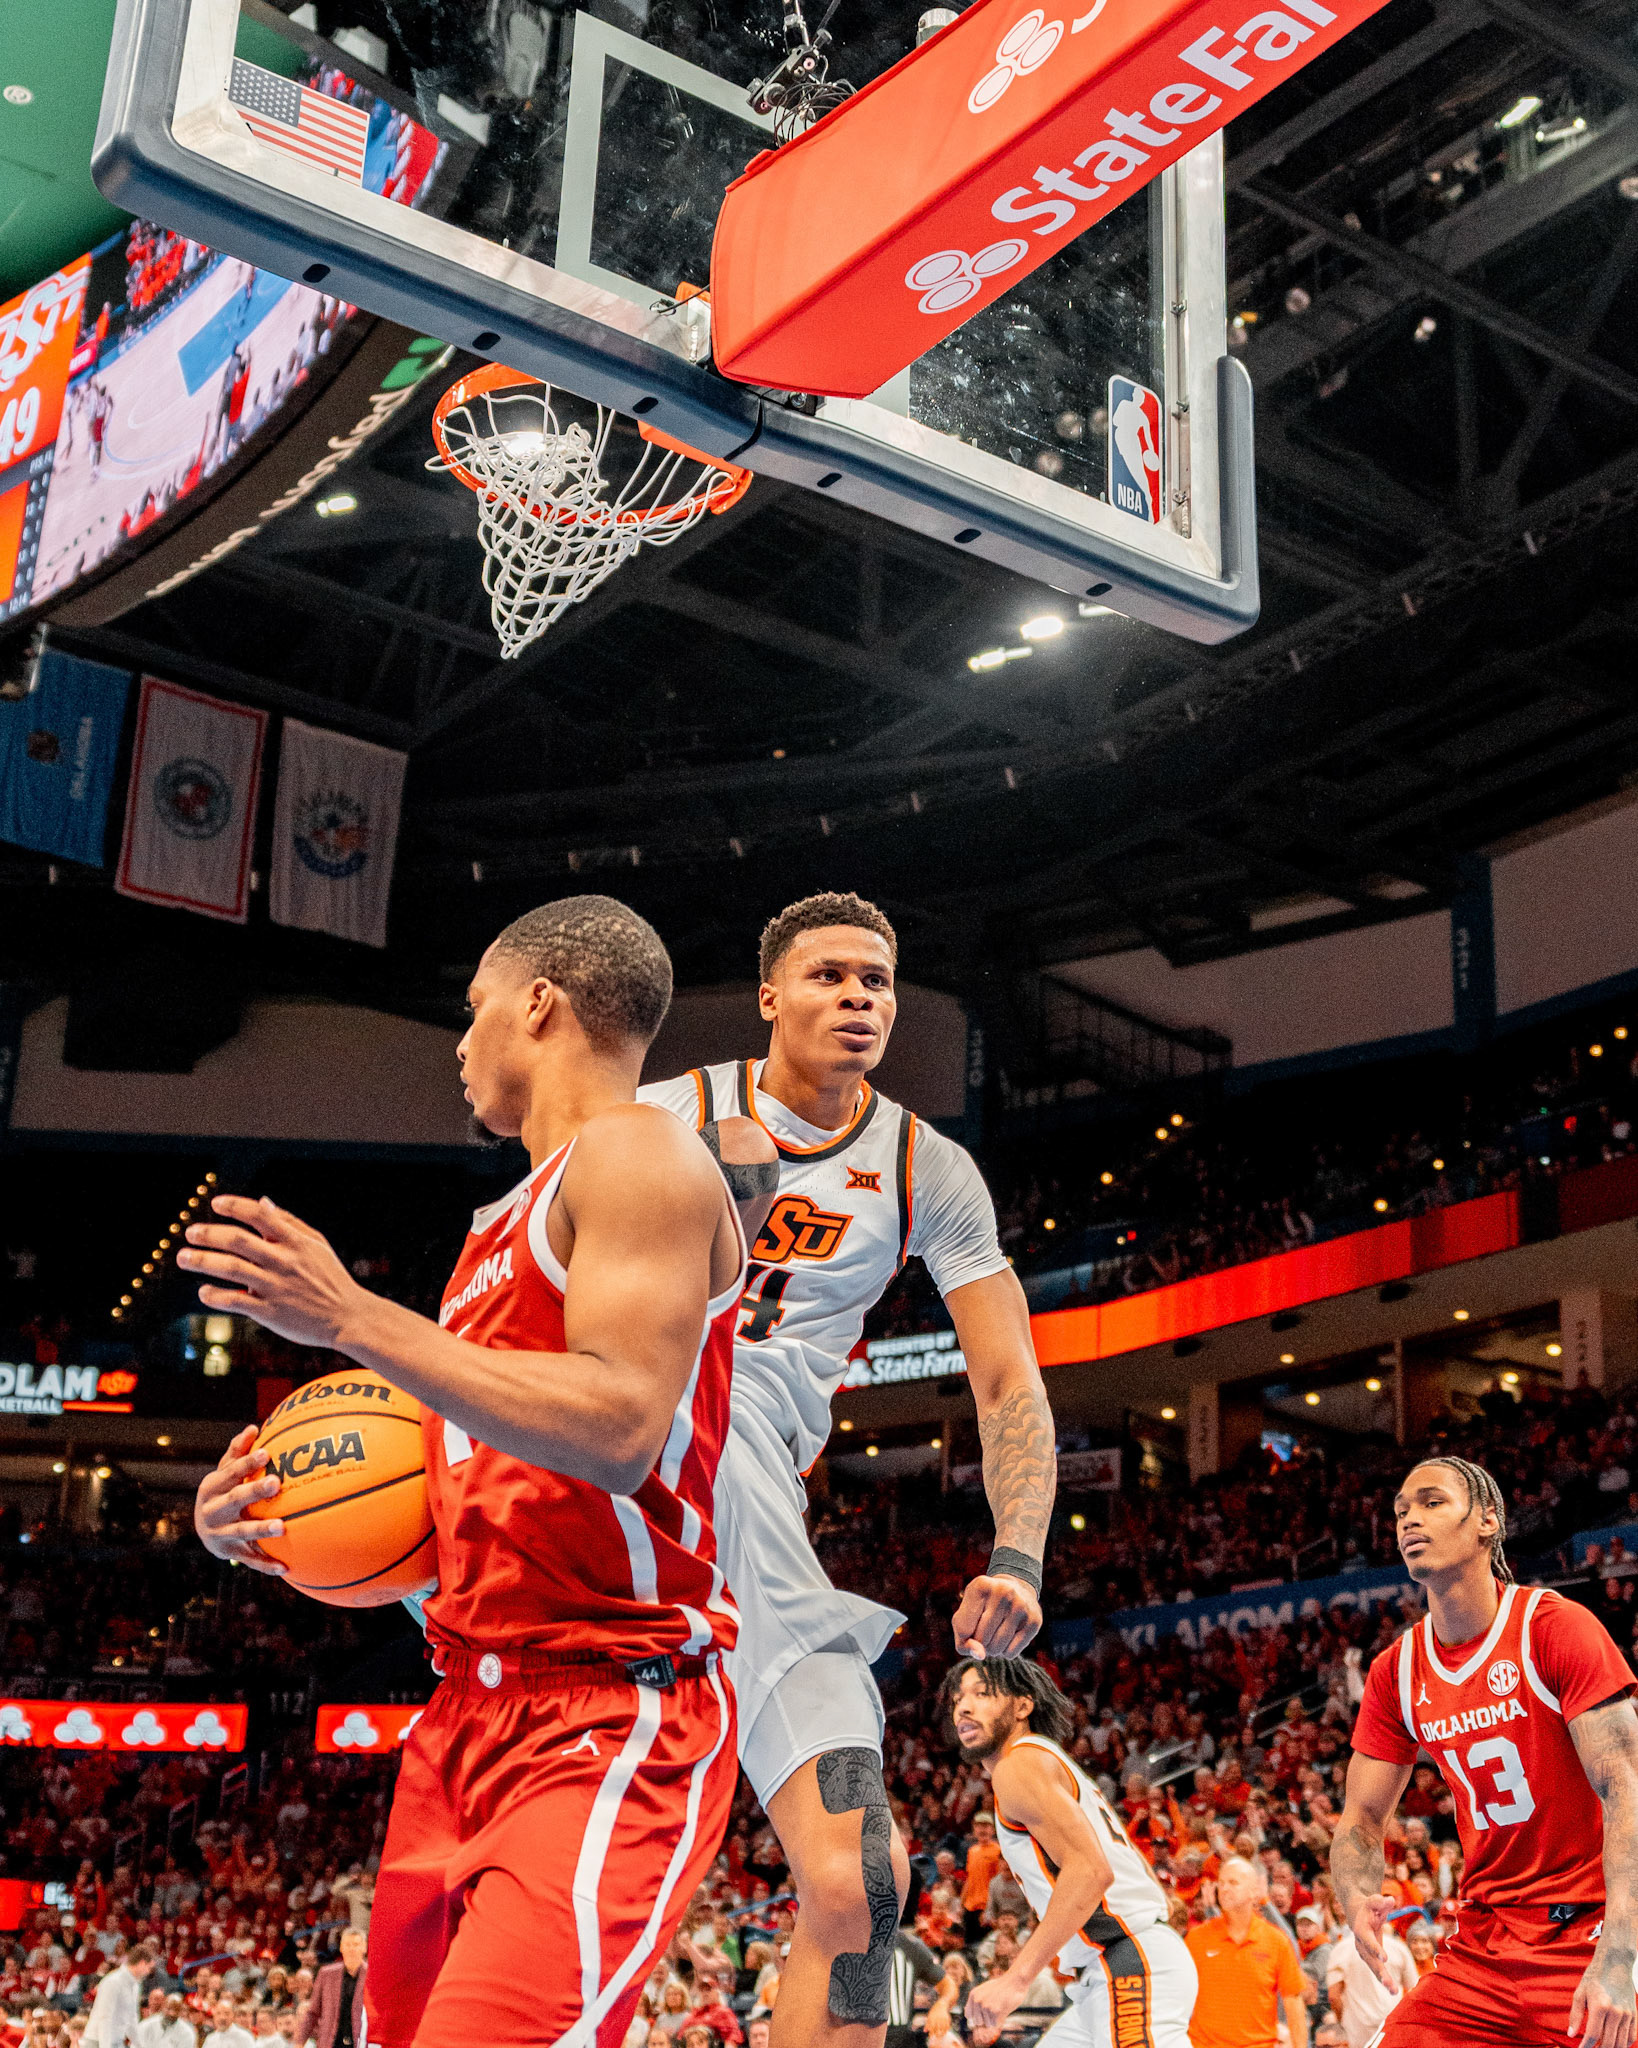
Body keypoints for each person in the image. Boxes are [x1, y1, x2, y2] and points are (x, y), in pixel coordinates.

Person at [186, 897, 767, 2048]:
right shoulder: (494, 1230)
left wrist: (353, 1316)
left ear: (539, 1001)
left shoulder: (639, 1152)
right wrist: (264, 1524)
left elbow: (617, 1428)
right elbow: (468, 1518)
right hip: (464, 1715)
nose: (459, 1042)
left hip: (606, 1709)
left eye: (473, 1009)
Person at [639, 893, 1057, 2048]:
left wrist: (1017, 1549)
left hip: (745, 1487)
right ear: (770, 995)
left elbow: (1010, 1380)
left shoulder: (927, 1164)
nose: (859, 998)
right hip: (624, 1439)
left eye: (877, 980)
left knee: (861, 1877)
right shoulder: (666, 1111)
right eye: (828, 976)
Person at [1332, 1455, 1638, 2048]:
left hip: (1592, 1929)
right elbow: (1362, 1821)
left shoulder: (1554, 1627)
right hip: (1485, 1949)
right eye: (1399, 1511)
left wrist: (1622, 1955)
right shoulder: (1395, 1672)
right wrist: (1354, 1894)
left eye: (1431, 1502)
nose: (1408, 1520)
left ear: (1488, 1520)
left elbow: (1628, 1787)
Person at [944, 1657, 1198, 2046]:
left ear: (1023, 1706)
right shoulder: (1039, 1763)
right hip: (1111, 1971)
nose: (963, 1705)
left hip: (1129, 1961)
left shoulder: (1019, 1766)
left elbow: (1092, 1871)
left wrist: (1016, 1980)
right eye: (958, 1698)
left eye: (982, 1693)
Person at [1185, 1860, 1307, 2048]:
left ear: (1253, 1891)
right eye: (1222, 1883)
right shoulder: (1196, 1939)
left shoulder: (1276, 1940)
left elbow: (1293, 2001)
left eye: (1233, 1883)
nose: (1224, 1889)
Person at [1325, 1922, 1415, 2048]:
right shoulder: (1399, 1948)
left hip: (1357, 2030)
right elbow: (1414, 1991)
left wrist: (1344, 2020)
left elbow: (1334, 1996)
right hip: (1391, 2027)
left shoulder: (1342, 1949)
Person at [296, 1932, 365, 2048]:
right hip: (331, 2042)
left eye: (356, 1944)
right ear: (341, 1947)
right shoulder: (326, 1974)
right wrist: (299, 2042)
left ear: (364, 1947)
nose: (352, 1948)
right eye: (348, 1944)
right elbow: (312, 2012)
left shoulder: (373, 1975)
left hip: (360, 2042)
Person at [82, 1944, 158, 2048]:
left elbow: (132, 2018)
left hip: (116, 2041)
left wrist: (140, 2044)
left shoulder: (135, 1985)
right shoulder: (113, 1981)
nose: (149, 1972)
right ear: (142, 1963)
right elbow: (105, 2018)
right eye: (149, 1968)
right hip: (97, 2041)